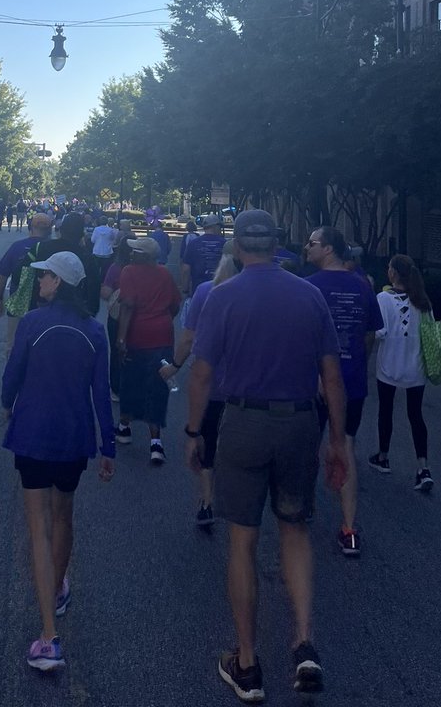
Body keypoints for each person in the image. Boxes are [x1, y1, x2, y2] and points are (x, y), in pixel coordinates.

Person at [185, 209, 347, 701]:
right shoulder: (310, 294)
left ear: (236, 248)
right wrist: (337, 439)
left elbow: (201, 374)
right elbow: (332, 376)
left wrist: (194, 432)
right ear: (278, 246)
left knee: (243, 540)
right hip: (300, 421)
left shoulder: (222, 296)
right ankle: (303, 642)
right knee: (296, 530)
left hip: (243, 422)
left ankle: (248, 663)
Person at [1, 251, 116, 672]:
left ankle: (49, 637)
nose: (40, 281)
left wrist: (7, 404)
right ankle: (59, 585)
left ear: (58, 282)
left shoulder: (33, 323)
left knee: (38, 529)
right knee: (64, 515)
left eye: (45, 275)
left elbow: (12, 374)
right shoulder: (94, 331)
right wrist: (109, 448)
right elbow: (101, 393)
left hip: (32, 434)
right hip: (74, 437)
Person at [305, 225, 383, 557]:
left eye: (312, 243)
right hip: (351, 382)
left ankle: (301, 507)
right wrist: (354, 364)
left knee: (308, 444)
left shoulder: (307, 288)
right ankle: (349, 528)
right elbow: (370, 334)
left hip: (311, 382)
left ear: (329, 249)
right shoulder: (363, 287)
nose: (306, 247)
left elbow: (301, 340)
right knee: (346, 446)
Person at [161, 252, 239, 528]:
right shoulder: (260, 293)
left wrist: (175, 365)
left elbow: (189, 337)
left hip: (211, 383)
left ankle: (207, 501)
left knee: (206, 441)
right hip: (245, 385)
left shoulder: (207, 291)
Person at [368, 254, 435, 491]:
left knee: (385, 411)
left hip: (389, 364)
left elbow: (379, 332)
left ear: (394, 272)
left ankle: (383, 456)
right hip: (416, 367)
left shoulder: (383, 299)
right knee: (415, 415)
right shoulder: (423, 301)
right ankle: (423, 467)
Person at [115, 236, 181, 464]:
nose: (131, 253)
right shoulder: (164, 273)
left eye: (135, 251)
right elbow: (176, 303)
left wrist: (121, 338)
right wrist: (162, 318)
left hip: (136, 335)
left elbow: (127, 305)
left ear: (142, 256)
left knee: (130, 382)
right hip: (162, 335)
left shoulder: (129, 272)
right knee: (156, 386)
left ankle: (124, 428)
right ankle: (156, 443)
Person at [0, 212, 53, 353]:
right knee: (42, 347)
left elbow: (3, 275)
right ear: (49, 230)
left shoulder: (17, 247)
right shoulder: (53, 248)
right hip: (45, 305)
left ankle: (12, 373)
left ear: (30, 227)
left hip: (18, 303)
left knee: (13, 345)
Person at [100, 235, 134, 401]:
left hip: (117, 316)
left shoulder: (115, 268)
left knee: (116, 350)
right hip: (140, 316)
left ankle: (116, 389)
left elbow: (106, 293)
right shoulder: (147, 269)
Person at [181, 214, 226, 296]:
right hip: (220, 291)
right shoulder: (225, 244)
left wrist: (185, 288)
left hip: (198, 290)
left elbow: (186, 269)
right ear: (215, 226)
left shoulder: (193, 244)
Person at [90, 215, 119, 281]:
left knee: (96, 269)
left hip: (97, 251)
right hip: (107, 252)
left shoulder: (96, 229)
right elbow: (112, 239)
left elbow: (92, 240)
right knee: (105, 269)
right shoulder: (110, 230)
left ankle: (96, 280)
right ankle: (103, 282)